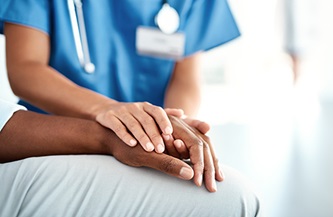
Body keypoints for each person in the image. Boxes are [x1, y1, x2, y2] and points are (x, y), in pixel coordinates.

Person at [1, 0, 241, 186]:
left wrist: (171, 129)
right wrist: (106, 110)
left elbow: (185, 78)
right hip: (53, 143)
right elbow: (25, 69)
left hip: (147, 147)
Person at [0, 98, 259, 217]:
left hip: (135, 129)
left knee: (224, 193)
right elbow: (26, 67)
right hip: (56, 131)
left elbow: (187, 69)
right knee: (231, 197)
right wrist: (109, 132)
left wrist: (167, 130)